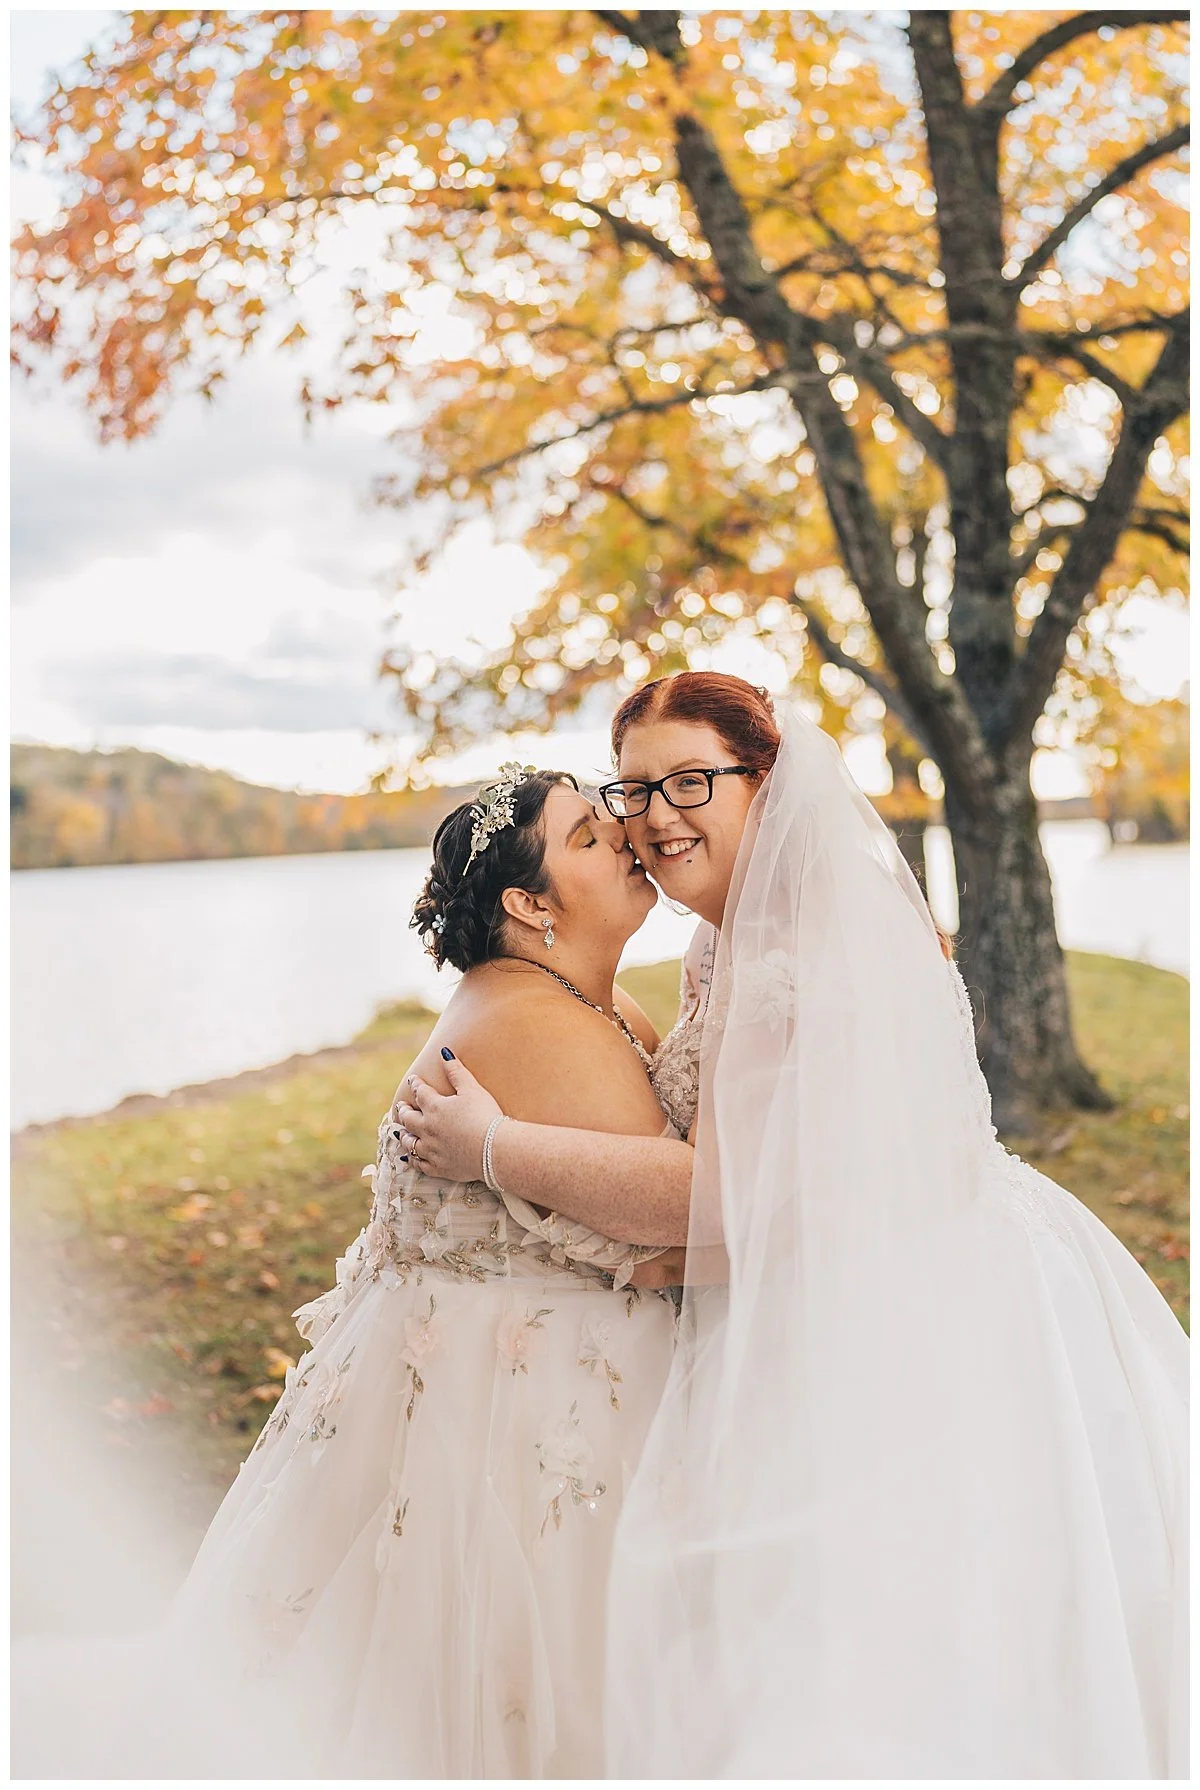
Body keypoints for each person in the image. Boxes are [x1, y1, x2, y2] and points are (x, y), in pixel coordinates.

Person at [399, 672, 1189, 1779]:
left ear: (764, 781)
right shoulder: (729, 933)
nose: (657, 815)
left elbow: (736, 1191)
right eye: (635, 789)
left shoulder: (809, 938)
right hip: (833, 1271)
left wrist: (495, 1147)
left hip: (923, 1300)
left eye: (691, 781)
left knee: (904, 1619)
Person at [12, 765, 690, 1780]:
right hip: (507, 1414)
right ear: (527, 902)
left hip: (493, 1379)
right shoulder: (530, 1020)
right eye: (590, 837)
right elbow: (676, 1226)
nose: (629, 835)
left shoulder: (573, 1002)